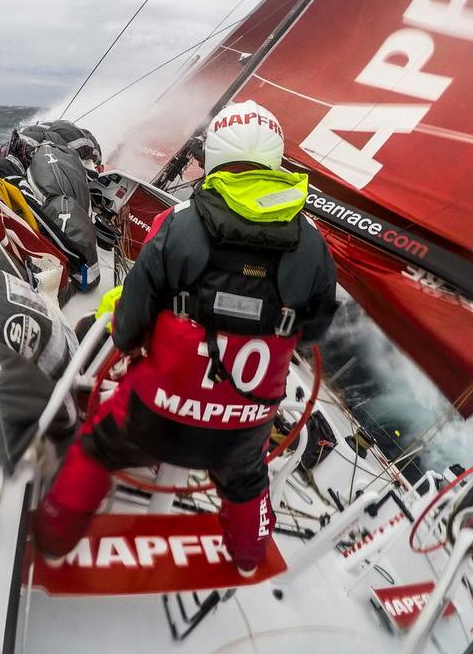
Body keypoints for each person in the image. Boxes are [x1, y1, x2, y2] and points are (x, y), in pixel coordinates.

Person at [35, 100, 338, 575]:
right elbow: (315, 330)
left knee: (96, 446)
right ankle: (247, 556)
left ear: (213, 155)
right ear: (276, 158)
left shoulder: (178, 226)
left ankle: (53, 537)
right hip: (241, 434)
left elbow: (130, 324)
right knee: (246, 482)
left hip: (155, 417)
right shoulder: (314, 247)